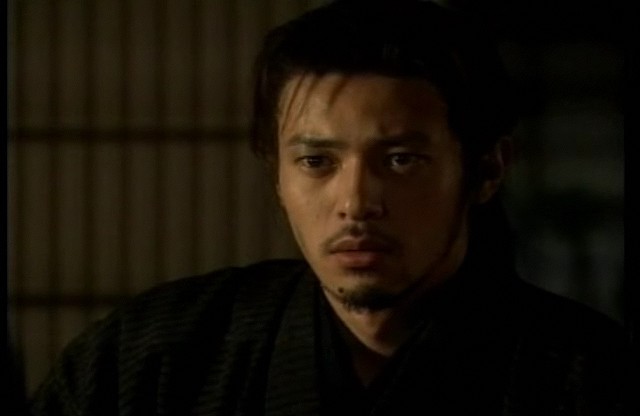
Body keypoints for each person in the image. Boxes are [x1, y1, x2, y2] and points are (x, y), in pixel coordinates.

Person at [30, 1, 627, 415]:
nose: (356, 203)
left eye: (401, 160)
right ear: (277, 173)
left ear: (488, 169)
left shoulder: (586, 377)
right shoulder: (156, 355)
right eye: (317, 161)